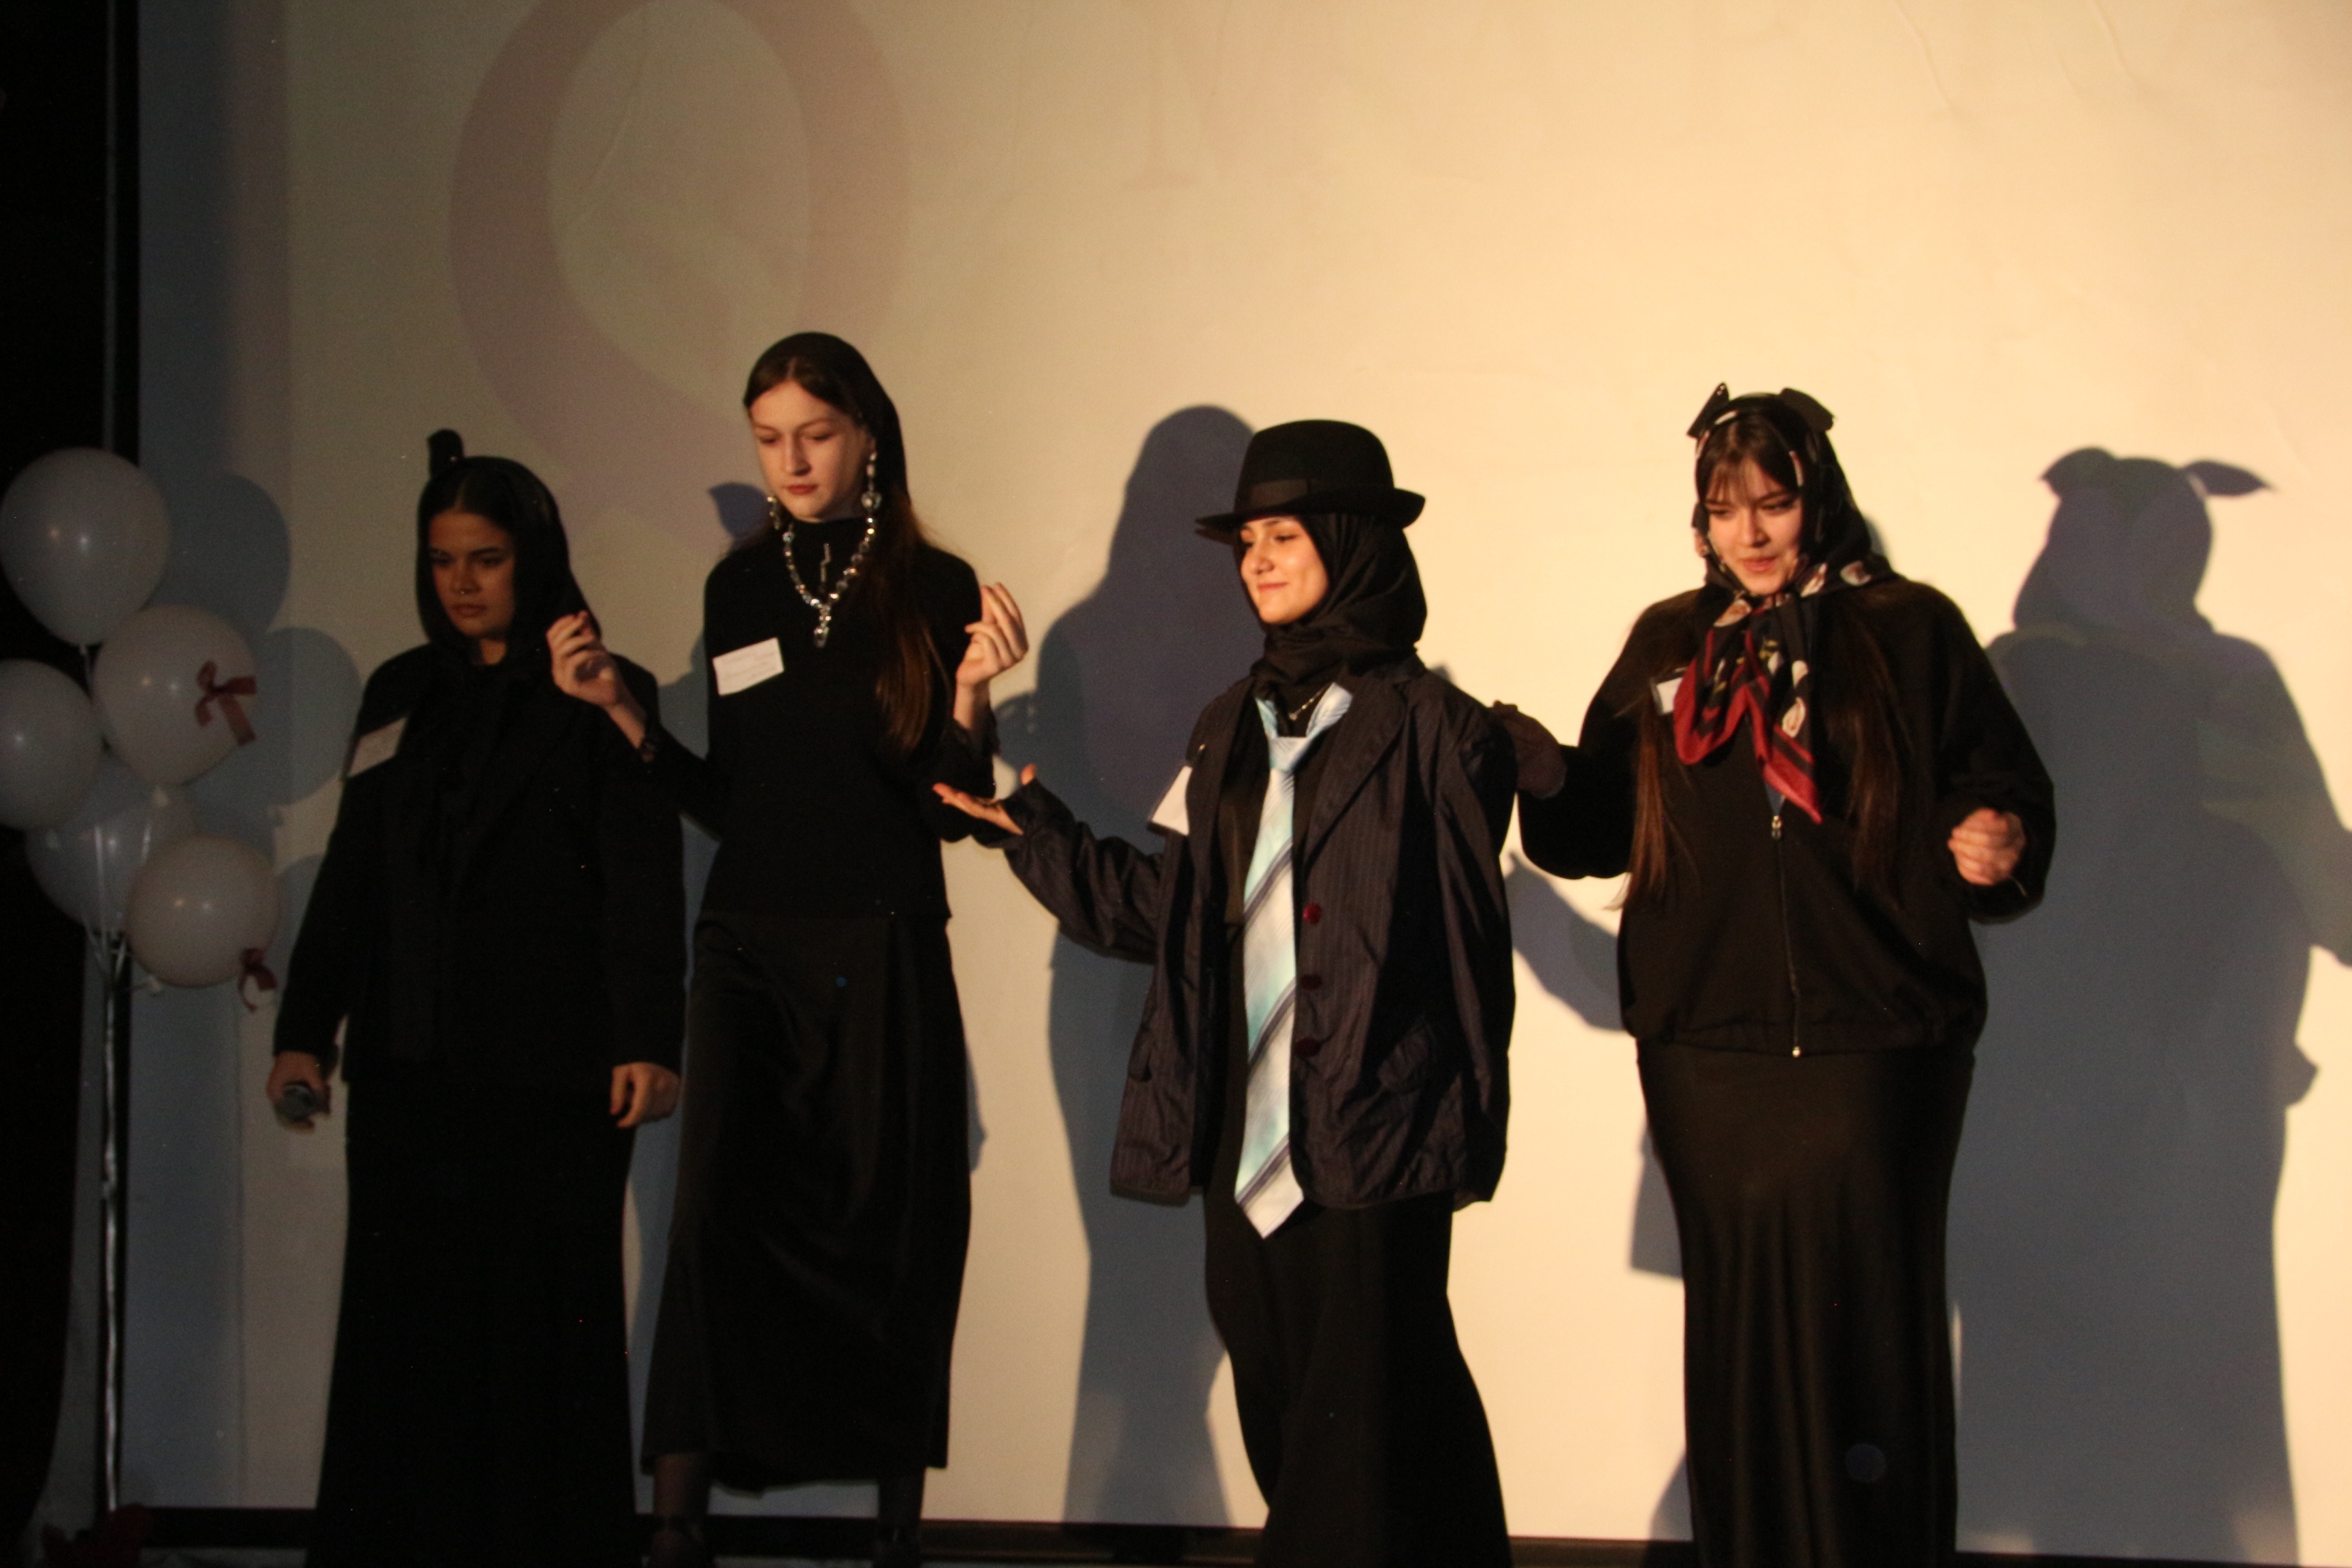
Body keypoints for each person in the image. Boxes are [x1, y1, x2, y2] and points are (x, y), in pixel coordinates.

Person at [938, 420, 1516, 1567]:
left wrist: (1448, 1133)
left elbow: (1464, 952)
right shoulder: (1229, 728)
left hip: (1372, 1143)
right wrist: (1035, 835)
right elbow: (1174, 912)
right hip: (1242, 1144)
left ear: (1349, 541)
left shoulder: (1437, 730)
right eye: (1246, 541)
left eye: (1283, 536)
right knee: (1298, 1425)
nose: (1256, 562)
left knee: (1363, 1443)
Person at [1500, 386, 2056, 1568]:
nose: (1749, 532)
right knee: (1742, 1337)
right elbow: (1598, 828)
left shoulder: (1909, 627)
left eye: (1774, 502)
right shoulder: (1669, 642)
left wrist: (1998, 836)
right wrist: (1547, 775)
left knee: (1870, 1330)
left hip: (1877, 1039)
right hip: (1708, 1050)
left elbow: (2000, 787)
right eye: (1723, 509)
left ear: (1819, 499)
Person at [548, 332, 1028, 1568]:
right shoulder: (741, 590)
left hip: (881, 940)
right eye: (769, 439)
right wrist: (620, 710)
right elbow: (729, 798)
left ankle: (895, 1532)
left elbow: (950, 810)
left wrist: (974, 697)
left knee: (891, 1224)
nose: (793, 460)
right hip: (749, 943)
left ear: (868, 434)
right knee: (713, 1216)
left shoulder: (935, 584)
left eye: (815, 434)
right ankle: (676, 1525)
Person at [270, 432, 685, 1568]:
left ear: (532, 559)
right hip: (410, 1072)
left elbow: (644, 877)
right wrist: (306, 1034)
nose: (461, 582)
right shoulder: (399, 691)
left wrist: (650, 1038)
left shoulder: (605, 690)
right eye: (442, 558)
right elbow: (353, 874)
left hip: (554, 1079)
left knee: (545, 1333)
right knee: (403, 1334)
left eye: (487, 559)